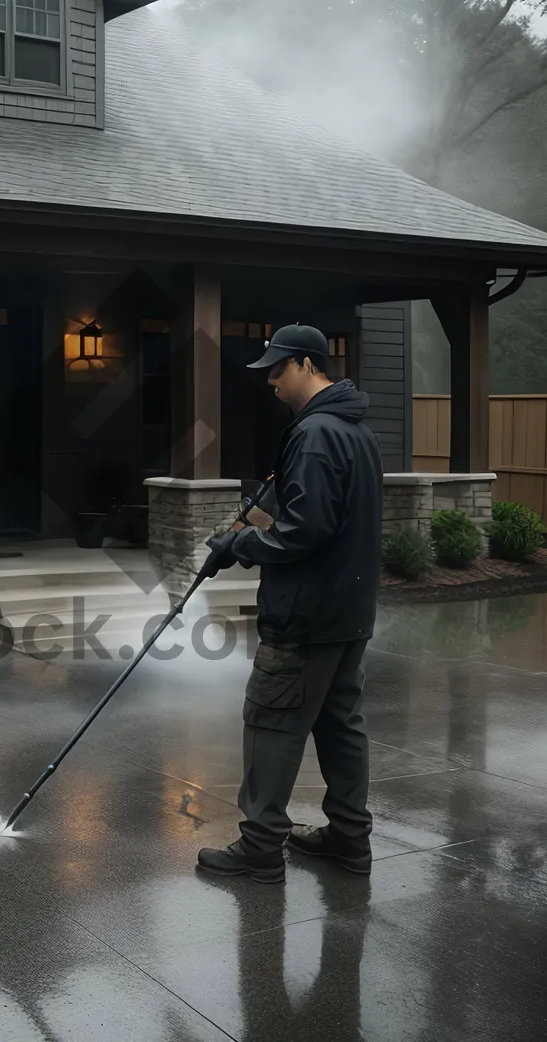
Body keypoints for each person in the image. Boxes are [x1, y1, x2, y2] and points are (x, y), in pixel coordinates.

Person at [196, 324, 383, 883]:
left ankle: (259, 847)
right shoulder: (355, 431)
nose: (271, 380)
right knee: (339, 724)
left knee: (272, 721)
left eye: (278, 369)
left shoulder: (317, 434)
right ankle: (349, 839)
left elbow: (303, 531)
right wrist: (255, 523)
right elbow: (320, 518)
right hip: (348, 613)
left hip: (304, 613)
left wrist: (238, 544)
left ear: (307, 364)